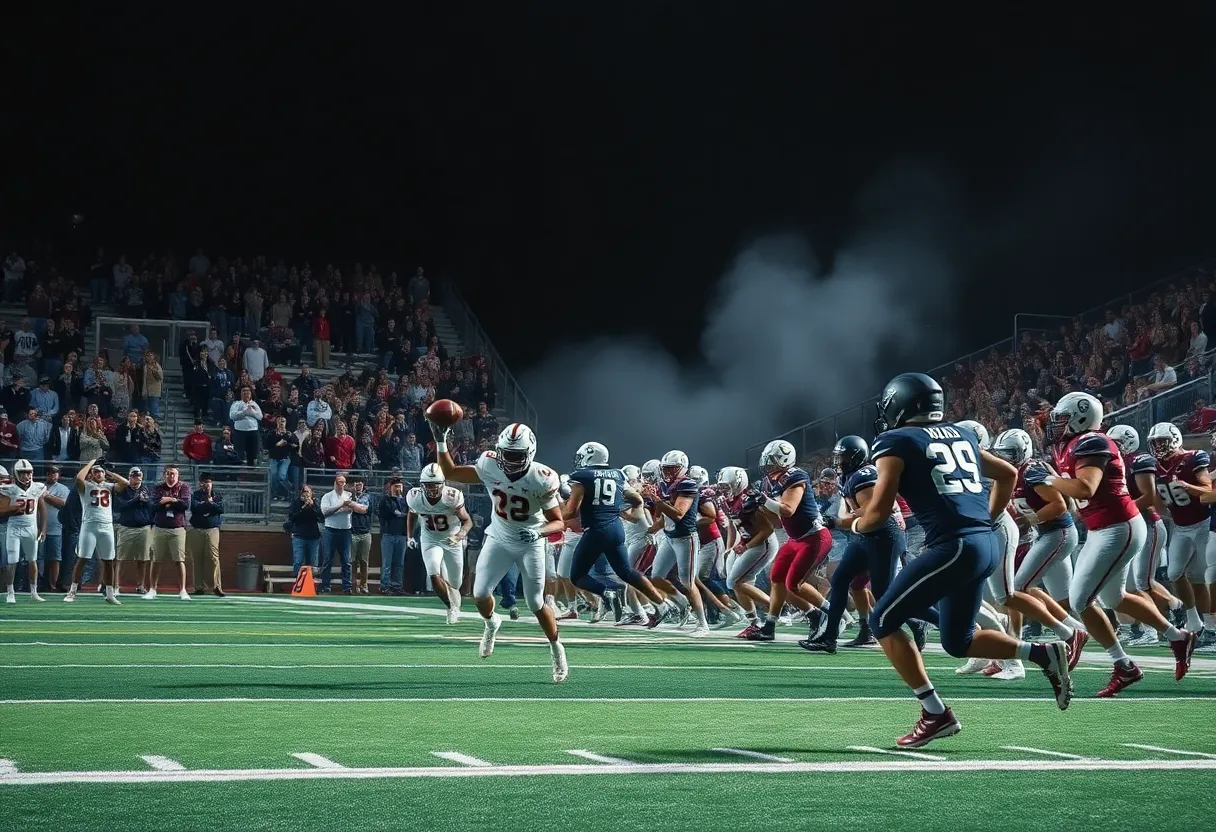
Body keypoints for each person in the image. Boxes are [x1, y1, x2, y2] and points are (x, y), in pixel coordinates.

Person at [854, 373, 1072, 747]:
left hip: (952, 546)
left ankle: (935, 712)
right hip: (983, 543)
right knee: (959, 640)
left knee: (883, 620)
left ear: (900, 403)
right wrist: (987, 517)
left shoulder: (896, 440)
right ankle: (1041, 652)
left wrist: (856, 524)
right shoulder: (962, 434)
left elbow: (880, 511)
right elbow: (1006, 472)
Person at [1041, 398, 1198, 696]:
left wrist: (1048, 478)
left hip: (1118, 527)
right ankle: (1177, 636)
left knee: (1080, 600)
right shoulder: (1070, 445)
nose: (1055, 424)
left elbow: (1085, 487)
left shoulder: (1091, 441)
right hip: (1103, 527)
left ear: (1081, 418)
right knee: (1114, 598)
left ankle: (1123, 665)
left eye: (1062, 418)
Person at [430, 420, 569, 682]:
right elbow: (449, 471)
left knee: (535, 603)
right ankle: (492, 623)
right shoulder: (489, 463)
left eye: (516, 455)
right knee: (480, 593)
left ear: (530, 454)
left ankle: (556, 649)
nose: (509, 460)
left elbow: (558, 521)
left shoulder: (542, 478)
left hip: (530, 542)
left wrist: (539, 531)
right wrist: (441, 441)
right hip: (500, 537)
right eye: (505, 453)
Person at [564, 442, 671, 628]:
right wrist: (623, 512)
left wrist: (548, 516)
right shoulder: (618, 474)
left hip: (596, 530)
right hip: (616, 529)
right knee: (627, 572)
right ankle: (662, 605)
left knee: (577, 576)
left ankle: (607, 593)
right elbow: (637, 499)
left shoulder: (581, 476)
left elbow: (571, 511)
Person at [744, 439, 834, 642]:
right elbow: (777, 521)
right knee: (777, 578)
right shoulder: (770, 481)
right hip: (796, 538)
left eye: (773, 460)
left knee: (794, 584)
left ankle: (831, 613)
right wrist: (760, 508)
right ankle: (770, 626)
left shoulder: (796, 475)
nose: (768, 465)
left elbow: (788, 509)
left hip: (814, 535)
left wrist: (763, 500)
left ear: (785, 460)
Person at [642, 450, 708, 635]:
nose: (668, 472)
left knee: (687, 582)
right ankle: (681, 603)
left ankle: (702, 623)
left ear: (682, 468)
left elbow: (678, 513)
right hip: (670, 537)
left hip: (686, 537)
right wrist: (653, 528)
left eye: (672, 468)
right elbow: (666, 515)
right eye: (666, 469)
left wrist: (654, 499)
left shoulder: (687, 484)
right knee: (655, 577)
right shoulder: (664, 485)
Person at [406, 464, 473, 622]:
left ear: (442, 484)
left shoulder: (452, 496)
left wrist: (460, 535)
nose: (432, 488)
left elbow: (467, 521)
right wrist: (409, 536)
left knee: (455, 583)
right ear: (421, 485)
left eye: (435, 484)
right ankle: (450, 607)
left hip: (451, 540)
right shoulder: (415, 497)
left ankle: (453, 596)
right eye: (428, 485)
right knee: (433, 571)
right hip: (430, 539)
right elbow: (412, 514)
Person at [65, 458, 130, 605]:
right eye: (96, 471)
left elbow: (125, 483)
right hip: (89, 525)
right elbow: (79, 478)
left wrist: (109, 472)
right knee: (82, 559)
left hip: (106, 526)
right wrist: (91, 463)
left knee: (108, 561)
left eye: (100, 471)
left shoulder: (108, 486)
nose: (98, 473)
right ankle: (72, 591)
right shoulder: (86, 486)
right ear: (91, 474)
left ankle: (109, 593)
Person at [0, 459, 48, 603]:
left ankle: (34, 591)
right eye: (22, 473)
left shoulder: (38, 487)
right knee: (12, 561)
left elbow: (42, 508)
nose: (26, 476)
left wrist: (43, 528)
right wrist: (11, 510)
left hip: (31, 528)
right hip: (14, 528)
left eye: (28, 472)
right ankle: (10, 592)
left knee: (32, 560)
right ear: (15, 474)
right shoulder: (9, 489)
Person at [144, 465, 191, 601]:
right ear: (164, 475)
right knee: (156, 559)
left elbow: (185, 505)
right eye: (169, 474)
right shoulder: (158, 488)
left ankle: (182, 590)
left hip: (178, 528)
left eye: (174, 474)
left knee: (179, 560)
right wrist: (173, 502)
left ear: (178, 476)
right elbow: (154, 505)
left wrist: (170, 500)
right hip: (160, 527)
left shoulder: (184, 487)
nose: (171, 476)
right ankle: (152, 589)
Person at [113, 466, 155, 595]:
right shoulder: (123, 490)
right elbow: (119, 507)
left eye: (138, 475)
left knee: (143, 559)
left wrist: (146, 501)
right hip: (126, 527)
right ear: (129, 477)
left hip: (143, 528)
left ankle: (141, 585)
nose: (136, 478)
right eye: (133, 475)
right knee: (120, 558)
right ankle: (116, 585)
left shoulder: (147, 490)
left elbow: (152, 507)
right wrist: (136, 500)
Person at [320, 474, 364, 594]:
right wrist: (341, 505)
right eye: (339, 482)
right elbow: (325, 512)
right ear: (335, 483)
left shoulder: (349, 495)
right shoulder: (327, 496)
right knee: (328, 558)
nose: (342, 484)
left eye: (343, 482)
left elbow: (355, 508)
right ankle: (325, 585)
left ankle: (347, 586)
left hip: (345, 531)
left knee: (346, 560)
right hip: (330, 530)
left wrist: (349, 506)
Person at [188, 472, 225, 597]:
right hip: (197, 529)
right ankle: (199, 587)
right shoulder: (195, 495)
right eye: (204, 482)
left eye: (208, 482)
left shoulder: (217, 495)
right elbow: (195, 508)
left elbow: (220, 509)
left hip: (212, 529)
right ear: (200, 483)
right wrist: (208, 506)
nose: (206, 484)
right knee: (197, 558)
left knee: (214, 558)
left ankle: (217, 586)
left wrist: (210, 504)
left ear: (211, 483)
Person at [38, 466, 70, 592]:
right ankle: (38, 583)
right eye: (51, 473)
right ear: (47, 474)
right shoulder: (39, 487)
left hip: (56, 527)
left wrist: (47, 496)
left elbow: (64, 504)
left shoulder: (63, 488)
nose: (53, 475)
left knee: (55, 558)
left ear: (59, 475)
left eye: (56, 473)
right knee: (38, 557)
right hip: (38, 527)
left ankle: (53, 586)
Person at [378, 477, 408, 594]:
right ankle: (385, 586)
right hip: (388, 534)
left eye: (399, 486)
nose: (398, 488)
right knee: (387, 563)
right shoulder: (385, 500)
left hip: (401, 535)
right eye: (395, 486)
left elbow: (407, 515)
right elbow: (386, 513)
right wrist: (392, 497)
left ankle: (397, 586)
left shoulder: (405, 501)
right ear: (390, 487)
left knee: (399, 563)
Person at [288, 485, 325, 577]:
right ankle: (297, 581)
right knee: (298, 560)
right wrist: (303, 508)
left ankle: (313, 582)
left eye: (308, 492)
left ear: (312, 493)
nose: (306, 494)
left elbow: (321, 517)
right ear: (301, 493)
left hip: (314, 536)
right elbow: (293, 518)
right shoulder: (297, 503)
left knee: (314, 561)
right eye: (304, 492)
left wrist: (312, 505)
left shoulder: (316, 502)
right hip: (299, 535)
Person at [348, 479, 374, 594]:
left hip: (365, 532)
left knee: (364, 561)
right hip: (351, 531)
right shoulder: (348, 496)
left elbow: (365, 510)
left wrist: (352, 505)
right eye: (355, 484)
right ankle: (353, 585)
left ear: (363, 485)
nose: (357, 486)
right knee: (352, 561)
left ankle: (364, 585)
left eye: (360, 484)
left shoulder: (369, 497)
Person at [228, 386, 263, 466]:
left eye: (248, 391)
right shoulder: (236, 404)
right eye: (244, 391)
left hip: (253, 431)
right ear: (241, 393)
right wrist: (244, 412)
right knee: (239, 453)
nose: (246, 393)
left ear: (251, 393)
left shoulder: (254, 404)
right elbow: (232, 416)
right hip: (240, 431)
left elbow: (260, 416)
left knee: (252, 453)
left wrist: (251, 412)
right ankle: (238, 470)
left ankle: (251, 470)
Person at [264, 416, 297, 500]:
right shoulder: (272, 433)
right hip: (274, 458)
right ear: (277, 423)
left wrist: (287, 444)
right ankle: (278, 493)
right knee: (273, 477)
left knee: (282, 476)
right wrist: (277, 444)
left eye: (283, 421)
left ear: (286, 423)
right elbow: (267, 445)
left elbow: (296, 446)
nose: (281, 423)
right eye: (279, 421)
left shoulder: (289, 434)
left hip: (285, 458)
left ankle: (291, 490)